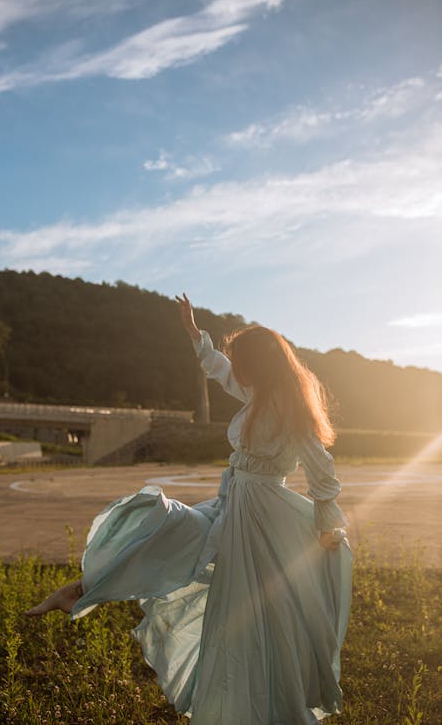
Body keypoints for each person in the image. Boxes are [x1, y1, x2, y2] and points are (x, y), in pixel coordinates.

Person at [25, 293, 353, 725]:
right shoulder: (257, 394)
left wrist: (327, 521)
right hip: (234, 503)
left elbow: (321, 469)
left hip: (261, 518)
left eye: (241, 361)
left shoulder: (287, 406)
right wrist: (195, 334)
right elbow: (222, 373)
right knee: (166, 526)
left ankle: (265, 707)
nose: (235, 369)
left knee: (257, 616)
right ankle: (85, 588)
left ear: (260, 364)